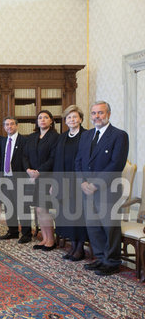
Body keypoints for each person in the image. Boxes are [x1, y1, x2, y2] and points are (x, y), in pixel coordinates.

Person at [75, 101, 129, 276]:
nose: (97, 116)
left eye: (101, 113)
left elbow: (116, 164)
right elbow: (79, 161)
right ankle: (99, 258)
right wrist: (82, 182)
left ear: (108, 114)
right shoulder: (86, 135)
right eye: (94, 113)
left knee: (109, 226)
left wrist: (95, 184)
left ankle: (112, 261)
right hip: (86, 190)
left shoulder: (119, 135)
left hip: (107, 190)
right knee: (93, 226)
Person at [51, 105, 88, 261]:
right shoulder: (62, 137)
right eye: (69, 117)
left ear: (80, 118)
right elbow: (56, 160)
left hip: (79, 182)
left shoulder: (87, 135)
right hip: (63, 181)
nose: (72, 120)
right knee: (66, 215)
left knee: (78, 215)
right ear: (65, 121)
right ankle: (73, 246)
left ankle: (80, 248)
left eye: (75, 117)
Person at [23, 110, 59, 251]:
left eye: (46, 117)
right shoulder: (31, 137)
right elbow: (24, 156)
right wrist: (28, 170)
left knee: (43, 209)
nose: (42, 120)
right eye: (40, 118)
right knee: (38, 209)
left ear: (51, 121)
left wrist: (39, 172)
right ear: (37, 121)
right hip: (33, 178)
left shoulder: (55, 137)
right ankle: (44, 239)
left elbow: (53, 158)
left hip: (47, 177)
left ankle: (51, 240)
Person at [0, 117, 32, 243]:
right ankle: (12, 231)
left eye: (12, 124)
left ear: (16, 126)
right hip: (6, 177)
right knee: (9, 206)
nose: (9, 127)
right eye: (6, 124)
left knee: (23, 206)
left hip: (20, 177)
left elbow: (26, 158)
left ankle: (26, 234)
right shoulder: (3, 141)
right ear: (4, 127)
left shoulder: (24, 140)